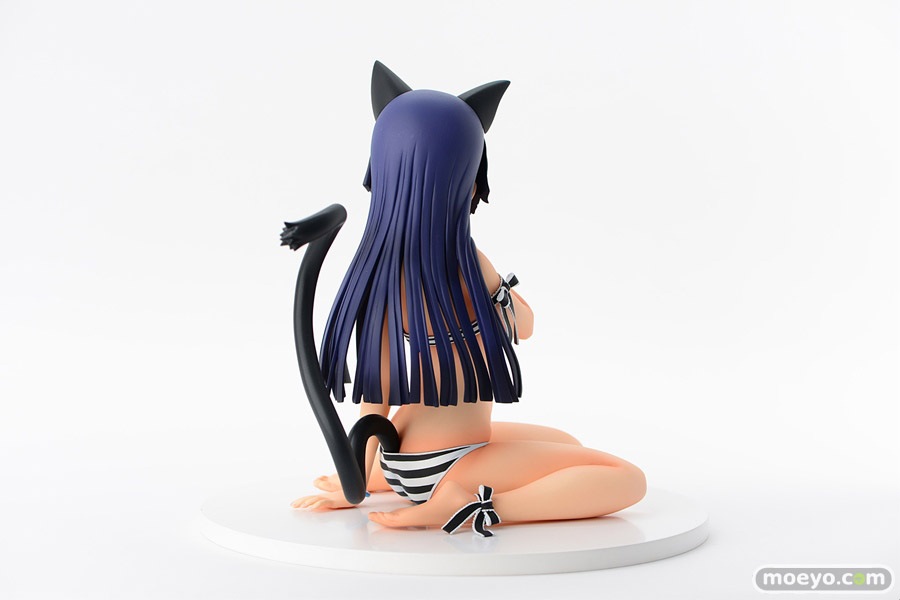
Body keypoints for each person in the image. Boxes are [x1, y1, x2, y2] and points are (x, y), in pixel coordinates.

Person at [290, 62, 645, 535]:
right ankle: (473, 506)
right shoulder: (469, 263)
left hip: (401, 451)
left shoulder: (380, 270)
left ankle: (397, 480)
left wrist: (356, 477)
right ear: (469, 182)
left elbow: (375, 401)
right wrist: (497, 285)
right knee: (625, 478)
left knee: (565, 441)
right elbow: (524, 327)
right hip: (447, 464)